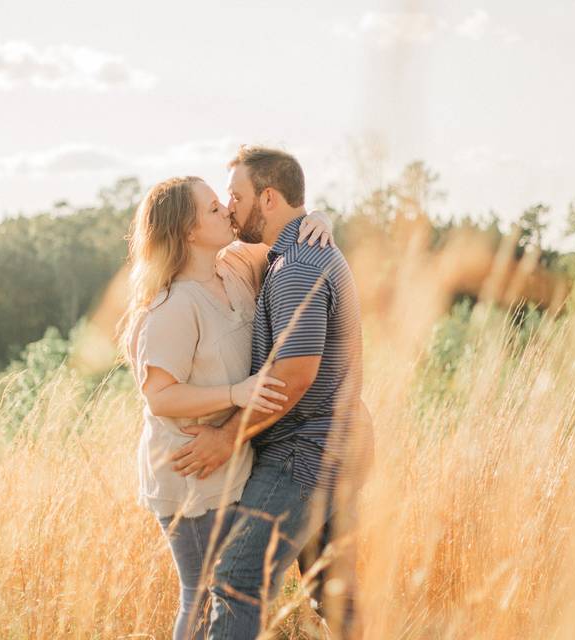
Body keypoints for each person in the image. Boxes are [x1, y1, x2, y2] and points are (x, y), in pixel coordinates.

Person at [120, 175, 336, 640]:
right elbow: (160, 397)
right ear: (189, 231)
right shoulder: (174, 305)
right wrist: (237, 394)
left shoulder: (233, 269)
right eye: (214, 208)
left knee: (230, 594)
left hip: (231, 458)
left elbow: (284, 236)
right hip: (190, 467)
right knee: (201, 596)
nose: (227, 212)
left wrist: (317, 219)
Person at [169, 147, 372, 639]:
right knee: (333, 591)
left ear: (267, 197)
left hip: (302, 457)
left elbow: (294, 377)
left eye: (236, 197)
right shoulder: (294, 255)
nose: (230, 207)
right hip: (333, 447)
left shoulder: (297, 267)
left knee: (236, 579)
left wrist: (227, 439)